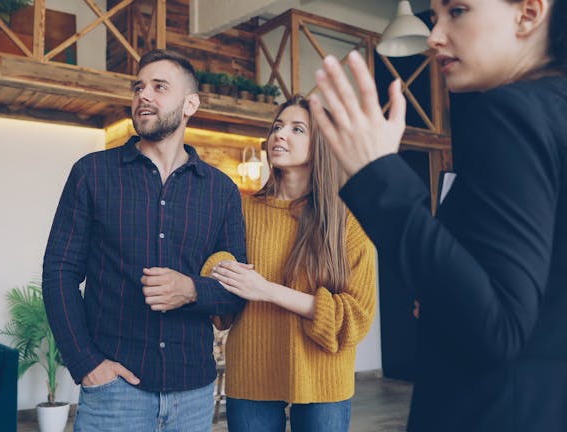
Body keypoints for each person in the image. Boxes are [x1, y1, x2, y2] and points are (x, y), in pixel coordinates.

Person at [308, 0, 567, 430]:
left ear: (529, 12)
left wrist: (377, 177)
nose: (434, 35)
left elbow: (496, 327)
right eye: (434, 16)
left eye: (458, 11)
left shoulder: (510, 113)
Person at [41, 49, 247, 431]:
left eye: (159, 87)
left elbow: (236, 290)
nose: (143, 95)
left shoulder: (222, 191)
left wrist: (191, 290)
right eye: (139, 87)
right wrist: (86, 364)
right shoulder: (92, 173)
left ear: (190, 104)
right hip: (114, 392)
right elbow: (59, 272)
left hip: (194, 392)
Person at [205, 94, 377, 432]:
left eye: (297, 129)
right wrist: (218, 264)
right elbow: (215, 258)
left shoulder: (349, 221)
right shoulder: (241, 210)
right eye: (277, 127)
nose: (279, 135)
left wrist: (266, 290)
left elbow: (356, 315)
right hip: (252, 372)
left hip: (323, 376)